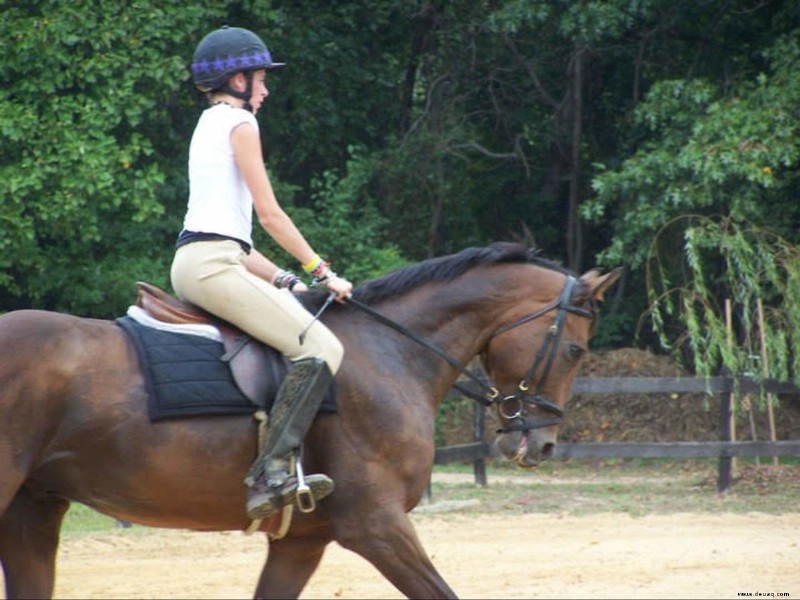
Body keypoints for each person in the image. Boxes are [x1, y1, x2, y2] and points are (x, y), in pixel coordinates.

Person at [171, 25, 352, 520]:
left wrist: (285, 281)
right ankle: (271, 472)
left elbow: (232, 239)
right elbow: (271, 216)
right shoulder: (240, 125)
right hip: (212, 266)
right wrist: (321, 271)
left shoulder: (208, 124)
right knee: (322, 348)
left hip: (203, 261)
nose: (266, 89)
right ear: (237, 80)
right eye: (260, 78)